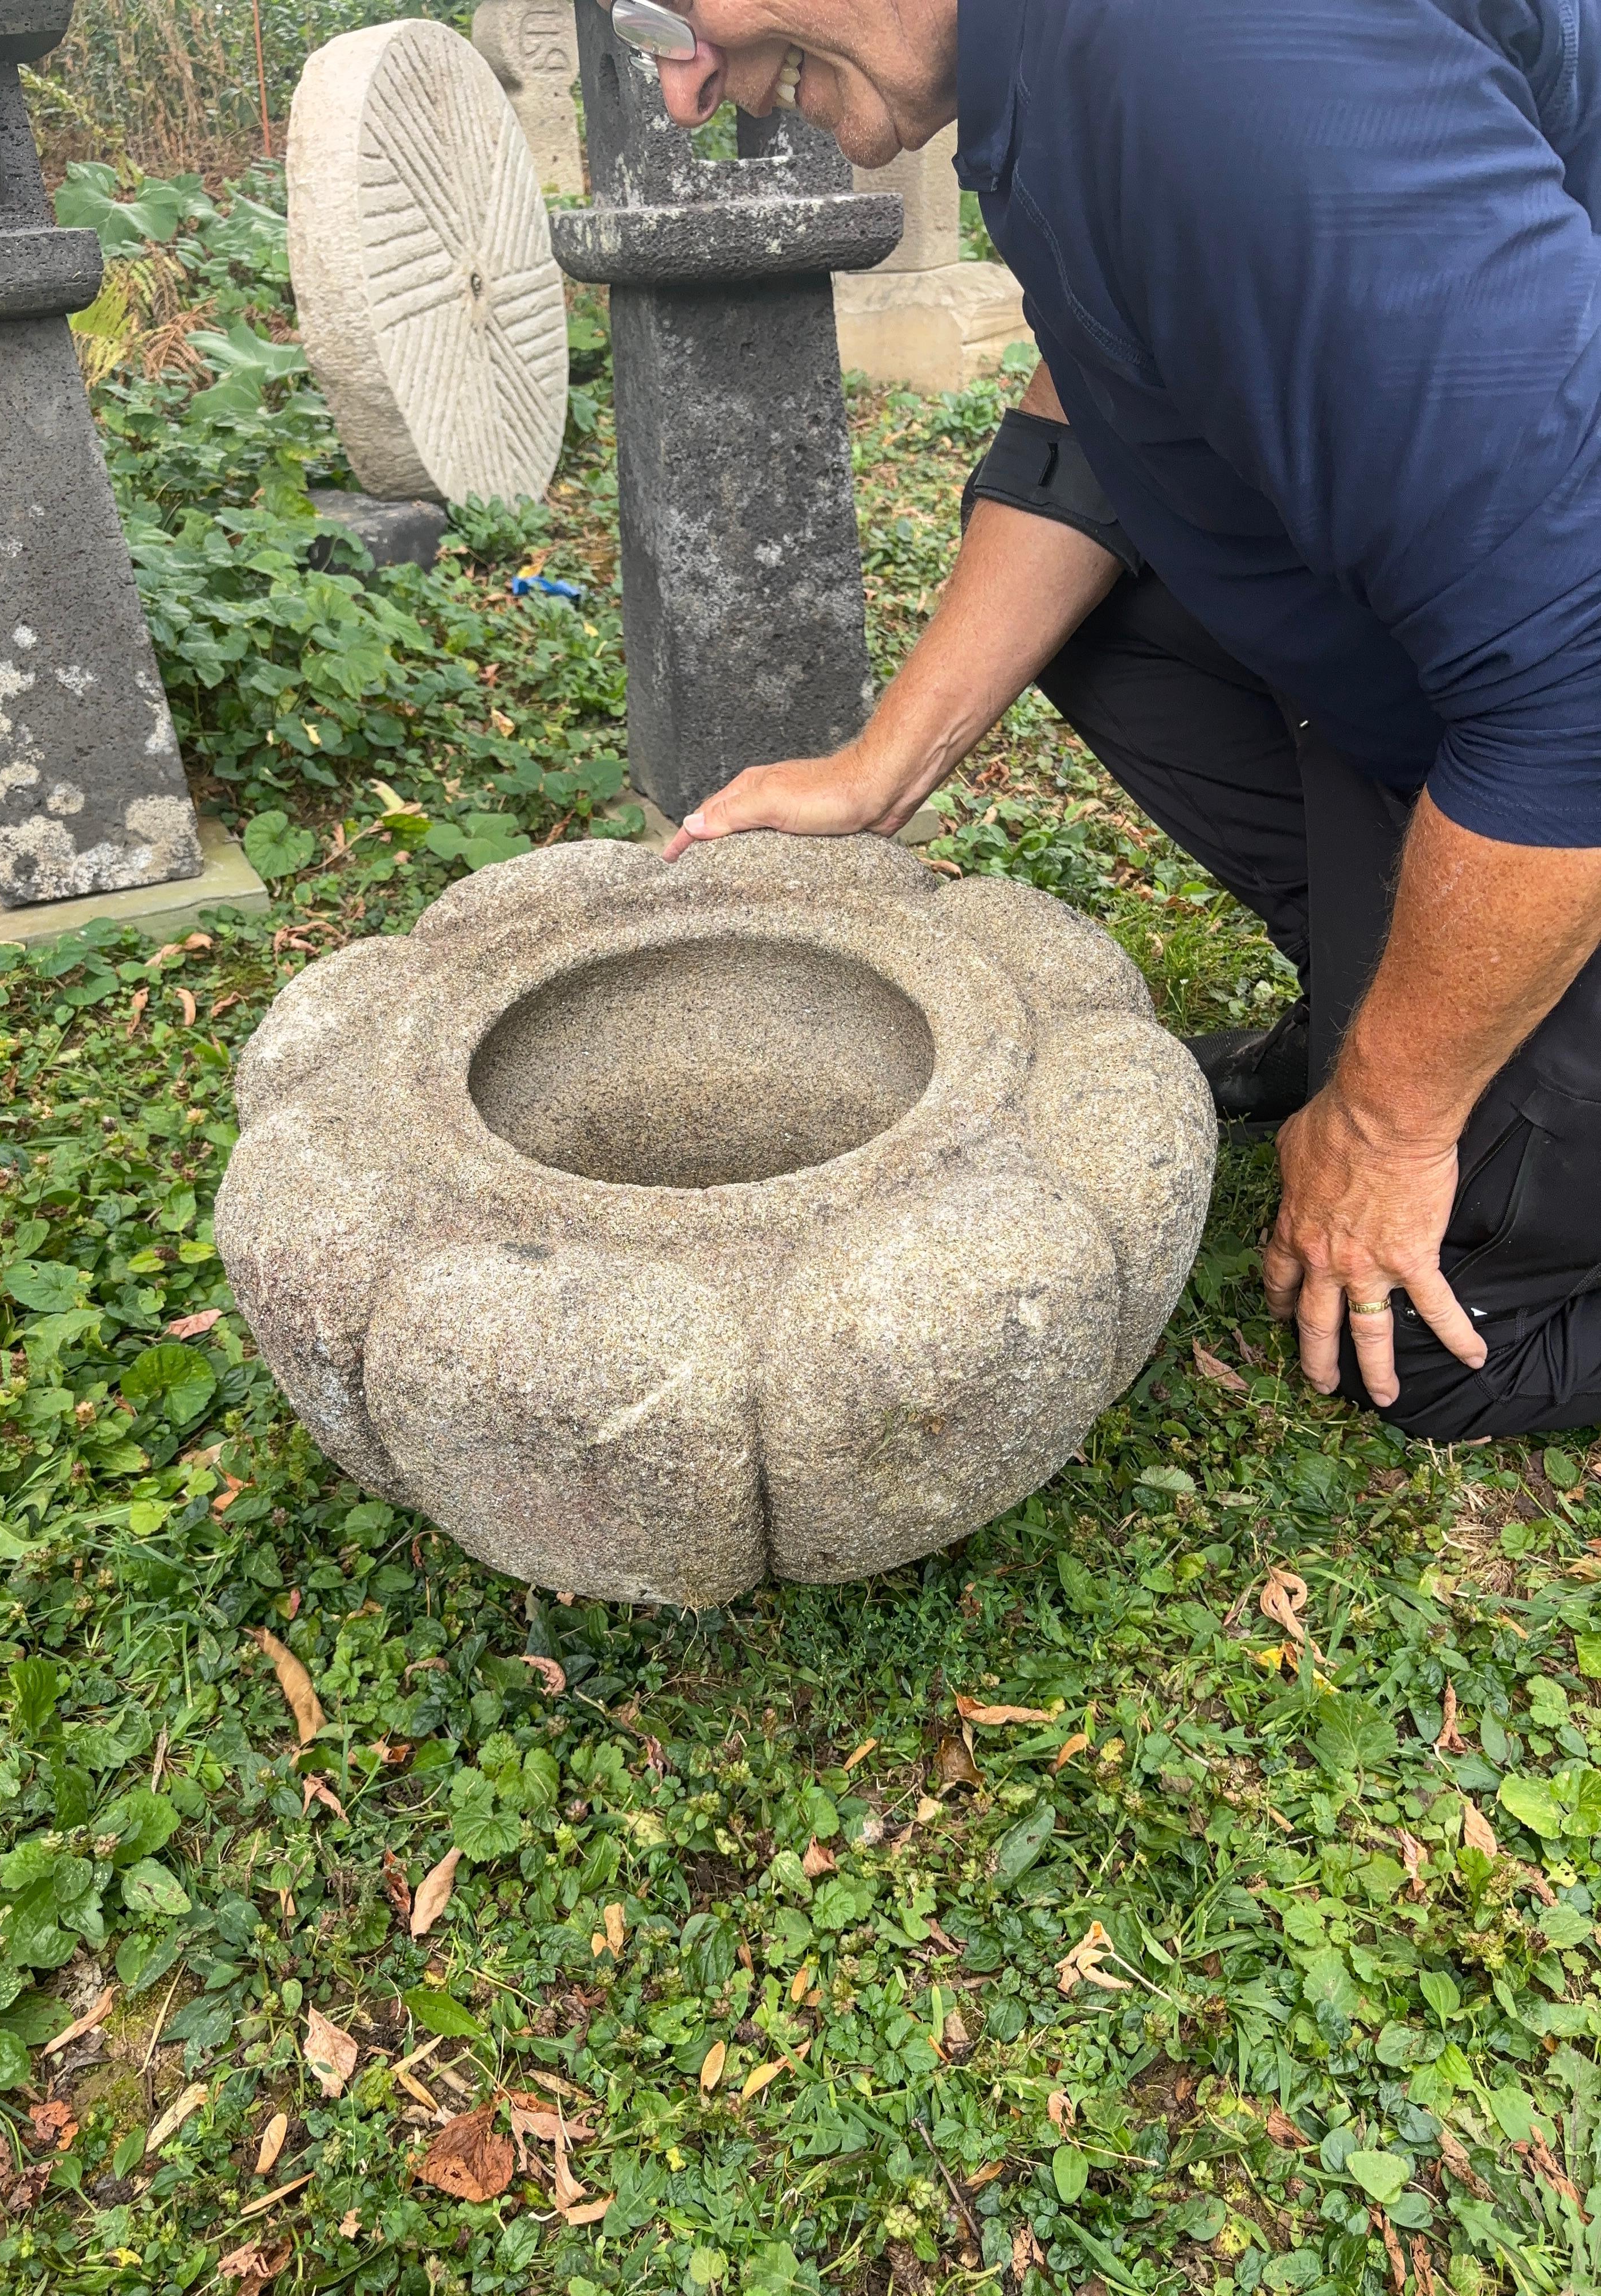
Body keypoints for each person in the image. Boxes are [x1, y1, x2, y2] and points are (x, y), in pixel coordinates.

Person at [600, 0, 1601, 1442]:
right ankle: (1392, 981)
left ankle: (1458, 1043)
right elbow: (1115, 384)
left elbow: (1578, 673)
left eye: (662, 14)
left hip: (1567, 711)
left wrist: (1388, 1123)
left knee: (1443, 1347)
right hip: (1489, 671)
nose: (686, 93)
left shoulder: (1208, 64)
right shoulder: (1063, 63)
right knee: (1114, 600)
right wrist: (887, 764)